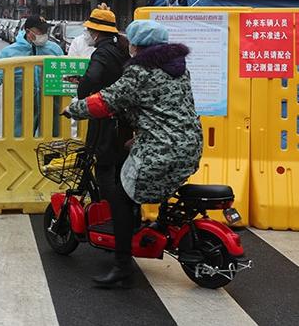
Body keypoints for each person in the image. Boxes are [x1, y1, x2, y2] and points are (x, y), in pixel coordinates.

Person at [62, 20, 203, 287]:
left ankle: (122, 267)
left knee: (120, 199)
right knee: (150, 183)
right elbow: (159, 106)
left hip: (161, 148)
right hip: (190, 144)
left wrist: (74, 109)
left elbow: (105, 101)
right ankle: (157, 227)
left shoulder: (140, 72)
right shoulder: (179, 70)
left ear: (137, 46)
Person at [66, 4, 132, 285]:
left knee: (107, 180)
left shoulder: (102, 52)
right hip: (125, 127)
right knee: (120, 176)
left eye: (89, 30)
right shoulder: (121, 50)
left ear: (96, 31)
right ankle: (124, 223)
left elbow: (94, 80)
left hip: (107, 123)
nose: (88, 34)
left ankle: (120, 247)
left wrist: (81, 98)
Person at [0, 15, 63, 137]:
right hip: (22, 107)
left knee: (51, 140)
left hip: (51, 106)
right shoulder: (10, 52)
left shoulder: (54, 50)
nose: (44, 34)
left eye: (45, 31)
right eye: (40, 31)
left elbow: (65, 73)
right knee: (20, 141)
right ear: (28, 32)